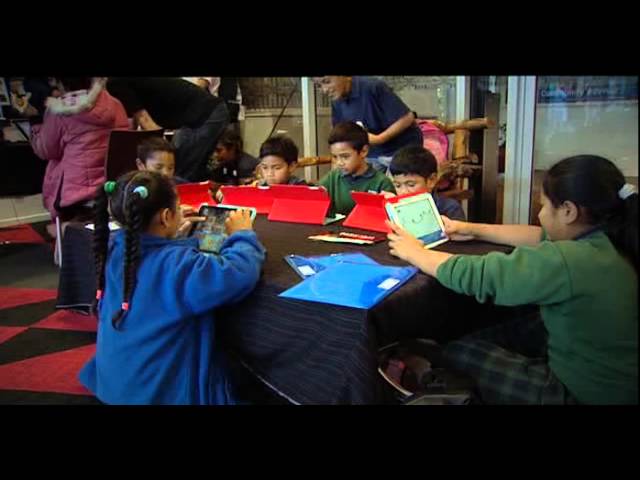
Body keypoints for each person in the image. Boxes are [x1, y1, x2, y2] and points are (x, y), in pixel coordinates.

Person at [386, 154, 638, 405]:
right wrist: (471, 229)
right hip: (613, 380)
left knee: (460, 350)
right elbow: (538, 236)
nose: (540, 215)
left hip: (580, 395)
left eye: (543, 206)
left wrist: (415, 253)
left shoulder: (570, 259)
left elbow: (480, 275)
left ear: (569, 211)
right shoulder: (610, 242)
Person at [78, 170, 265, 404]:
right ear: (166, 216)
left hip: (115, 386)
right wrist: (243, 235)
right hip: (159, 395)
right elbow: (239, 274)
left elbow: (156, 258)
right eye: (177, 206)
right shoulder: (177, 265)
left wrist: (172, 237)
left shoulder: (113, 250)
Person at [30, 77, 129, 225]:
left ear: (61, 82)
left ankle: (63, 233)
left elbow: (46, 151)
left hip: (75, 194)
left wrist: (35, 124)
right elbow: (123, 142)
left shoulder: (58, 110)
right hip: (113, 187)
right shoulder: (114, 104)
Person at [106, 77, 229, 182]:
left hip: (206, 115)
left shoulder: (115, 81)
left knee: (179, 171)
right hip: (207, 112)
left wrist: (158, 147)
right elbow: (136, 118)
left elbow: (145, 120)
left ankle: (181, 201)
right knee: (186, 169)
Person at [315, 76, 423, 172]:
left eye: (327, 82)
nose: (324, 90)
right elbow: (340, 136)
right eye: (319, 86)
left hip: (401, 149)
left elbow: (407, 118)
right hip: (371, 153)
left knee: (394, 184)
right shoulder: (336, 100)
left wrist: (379, 139)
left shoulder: (373, 86)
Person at [319, 121, 395, 215]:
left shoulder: (382, 183)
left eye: (345, 157)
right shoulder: (332, 178)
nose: (339, 163)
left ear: (363, 151)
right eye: (335, 157)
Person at [388, 145, 466, 221]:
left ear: (432, 180)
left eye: (411, 185)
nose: (403, 192)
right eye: (398, 186)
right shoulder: (395, 208)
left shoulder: (449, 209)